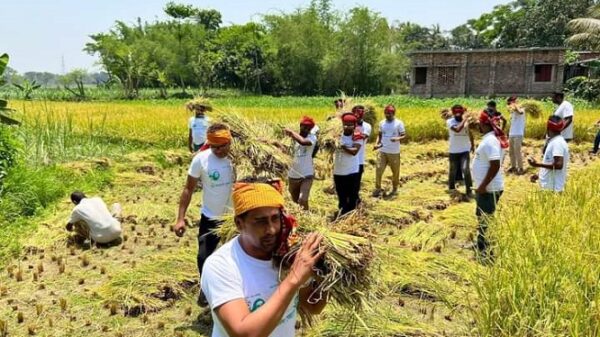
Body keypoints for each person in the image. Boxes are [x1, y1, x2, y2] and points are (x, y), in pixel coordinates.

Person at [201, 181, 327, 337]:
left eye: (275, 218)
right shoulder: (221, 266)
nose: (271, 229)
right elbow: (244, 334)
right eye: (260, 221)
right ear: (239, 224)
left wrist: (324, 275)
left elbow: (313, 307)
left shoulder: (286, 256)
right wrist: (294, 278)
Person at [174, 123, 235, 301]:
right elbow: (188, 189)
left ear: (229, 142)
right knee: (204, 256)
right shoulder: (201, 159)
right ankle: (206, 287)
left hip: (237, 218)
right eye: (213, 146)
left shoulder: (240, 159)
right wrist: (180, 218)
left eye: (221, 146)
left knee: (237, 257)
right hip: (211, 217)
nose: (217, 150)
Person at [471, 111, 504, 258]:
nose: (478, 125)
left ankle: (486, 249)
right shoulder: (488, 139)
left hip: (489, 189)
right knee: (483, 216)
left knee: (486, 218)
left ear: (485, 125)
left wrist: (483, 186)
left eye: (480, 123)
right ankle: (481, 243)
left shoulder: (490, 141)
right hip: (485, 188)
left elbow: (495, 165)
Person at [529, 116, 570, 192]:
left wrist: (537, 164)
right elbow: (550, 162)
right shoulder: (554, 141)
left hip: (552, 189)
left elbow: (558, 165)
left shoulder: (557, 143)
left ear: (548, 127)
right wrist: (539, 175)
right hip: (548, 186)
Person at [285, 116, 318, 210]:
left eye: (308, 128)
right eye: (304, 127)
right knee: (295, 202)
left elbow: (303, 142)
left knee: (302, 199)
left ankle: (307, 218)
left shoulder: (312, 138)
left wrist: (291, 132)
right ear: (300, 126)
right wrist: (275, 143)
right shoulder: (291, 139)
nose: (306, 130)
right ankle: (301, 219)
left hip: (307, 175)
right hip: (293, 175)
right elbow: (286, 152)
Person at [373, 105, 406, 197]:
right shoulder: (382, 123)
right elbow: (379, 135)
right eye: (386, 113)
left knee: (395, 172)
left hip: (394, 152)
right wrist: (377, 144)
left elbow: (403, 135)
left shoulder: (399, 123)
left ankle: (395, 188)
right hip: (382, 150)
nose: (387, 115)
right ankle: (378, 188)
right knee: (378, 169)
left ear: (393, 113)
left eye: (390, 114)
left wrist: (397, 138)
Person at [333, 113, 362, 216]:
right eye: (345, 124)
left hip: (352, 171)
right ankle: (342, 214)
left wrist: (342, 146)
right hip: (338, 171)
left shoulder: (357, 136)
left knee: (352, 196)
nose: (347, 126)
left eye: (350, 124)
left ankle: (352, 215)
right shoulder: (335, 136)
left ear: (354, 125)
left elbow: (354, 151)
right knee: (341, 196)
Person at [446, 105, 474, 196]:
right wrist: (465, 119)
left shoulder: (467, 121)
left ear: (462, 112)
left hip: (465, 150)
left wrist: (472, 145)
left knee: (466, 169)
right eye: (456, 113)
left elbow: (470, 133)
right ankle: (451, 188)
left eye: (460, 113)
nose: (458, 114)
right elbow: (457, 130)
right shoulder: (450, 121)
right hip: (453, 150)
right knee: (453, 170)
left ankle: (469, 190)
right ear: (453, 113)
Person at [353, 105, 372, 192]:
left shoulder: (367, 126)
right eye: (356, 112)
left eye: (360, 113)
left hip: (359, 159)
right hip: (346, 159)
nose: (357, 115)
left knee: (356, 182)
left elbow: (363, 136)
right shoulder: (347, 124)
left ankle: (356, 200)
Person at [507, 96, 526, 174]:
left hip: (518, 133)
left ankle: (521, 168)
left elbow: (520, 112)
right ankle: (513, 166)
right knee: (511, 152)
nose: (509, 105)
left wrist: (515, 106)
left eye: (510, 103)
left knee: (517, 151)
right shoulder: (512, 112)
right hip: (512, 133)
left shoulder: (522, 109)